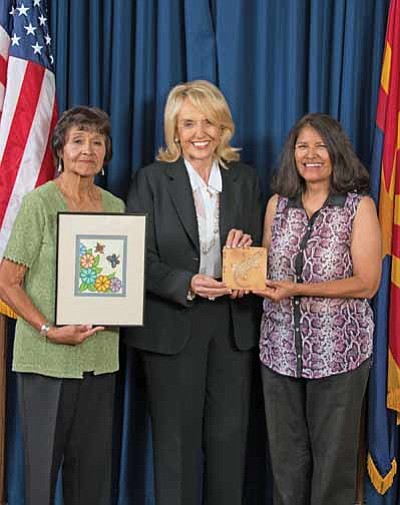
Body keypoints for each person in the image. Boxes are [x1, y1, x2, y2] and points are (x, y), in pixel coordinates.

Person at [125, 80, 262, 505]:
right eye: (188, 123)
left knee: (229, 444)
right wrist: (184, 282)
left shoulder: (246, 180)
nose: (199, 132)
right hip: (172, 324)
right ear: (174, 130)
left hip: (231, 327)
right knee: (176, 449)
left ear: (223, 129)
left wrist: (245, 268)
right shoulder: (151, 180)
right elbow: (137, 257)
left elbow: (261, 249)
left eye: (209, 122)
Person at [254, 113, 381, 505]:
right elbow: (264, 272)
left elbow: (367, 283)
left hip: (339, 356)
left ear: (336, 152)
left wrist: (299, 289)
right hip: (278, 355)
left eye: (320, 146)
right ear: (292, 155)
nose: (311, 155)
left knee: (333, 469)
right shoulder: (278, 205)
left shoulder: (358, 207)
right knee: (286, 468)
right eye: (302, 146)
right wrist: (241, 259)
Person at [0, 106, 125, 505]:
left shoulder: (116, 208)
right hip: (46, 358)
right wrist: (48, 329)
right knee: (41, 477)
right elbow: (7, 282)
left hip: (101, 358)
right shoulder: (38, 204)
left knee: (91, 478)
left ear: (106, 154)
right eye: (78, 141)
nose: (87, 149)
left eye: (97, 142)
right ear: (60, 150)